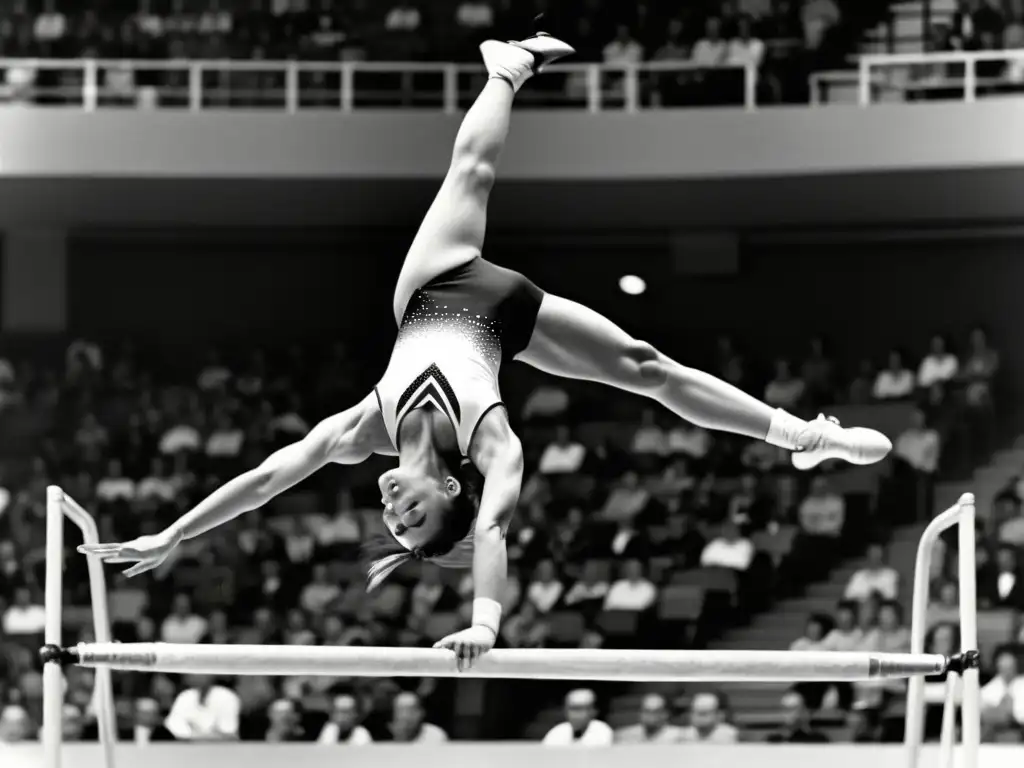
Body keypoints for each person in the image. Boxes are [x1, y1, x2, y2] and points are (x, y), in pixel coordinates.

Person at [80, 21, 892, 672]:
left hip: (434, 288)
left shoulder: (365, 430)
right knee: (646, 363)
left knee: (483, 185)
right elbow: (496, 535)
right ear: (449, 497)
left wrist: (176, 532)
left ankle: (506, 68)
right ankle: (803, 436)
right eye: (414, 520)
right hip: (505, 324)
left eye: (392, 522)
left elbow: (264, 480)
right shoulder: (491, 442)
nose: (391, 512)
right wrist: (484, 623)